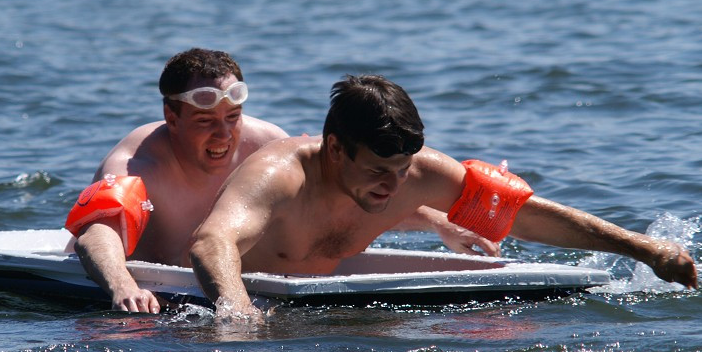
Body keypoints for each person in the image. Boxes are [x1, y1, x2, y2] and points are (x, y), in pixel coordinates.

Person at [188, 75, 698, 318]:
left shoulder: (419, 174)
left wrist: (644, 249)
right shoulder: (280, 176)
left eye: (403, 169)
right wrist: (236, 313)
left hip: (341, 318)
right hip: (255, 321)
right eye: (377, 171)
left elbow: (522, 217)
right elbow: (211, 242)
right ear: (337, 149)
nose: (393, 186)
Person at [72, 52, 496, 313]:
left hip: (248, 287)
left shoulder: (268, 144)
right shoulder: (136, 163)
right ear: (172, 117)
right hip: (165, 300)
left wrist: (438, 221)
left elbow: (345, 192)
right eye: (205, 121)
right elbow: (98, 234)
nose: (223, 135)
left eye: (231, 118)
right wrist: (123, 286)